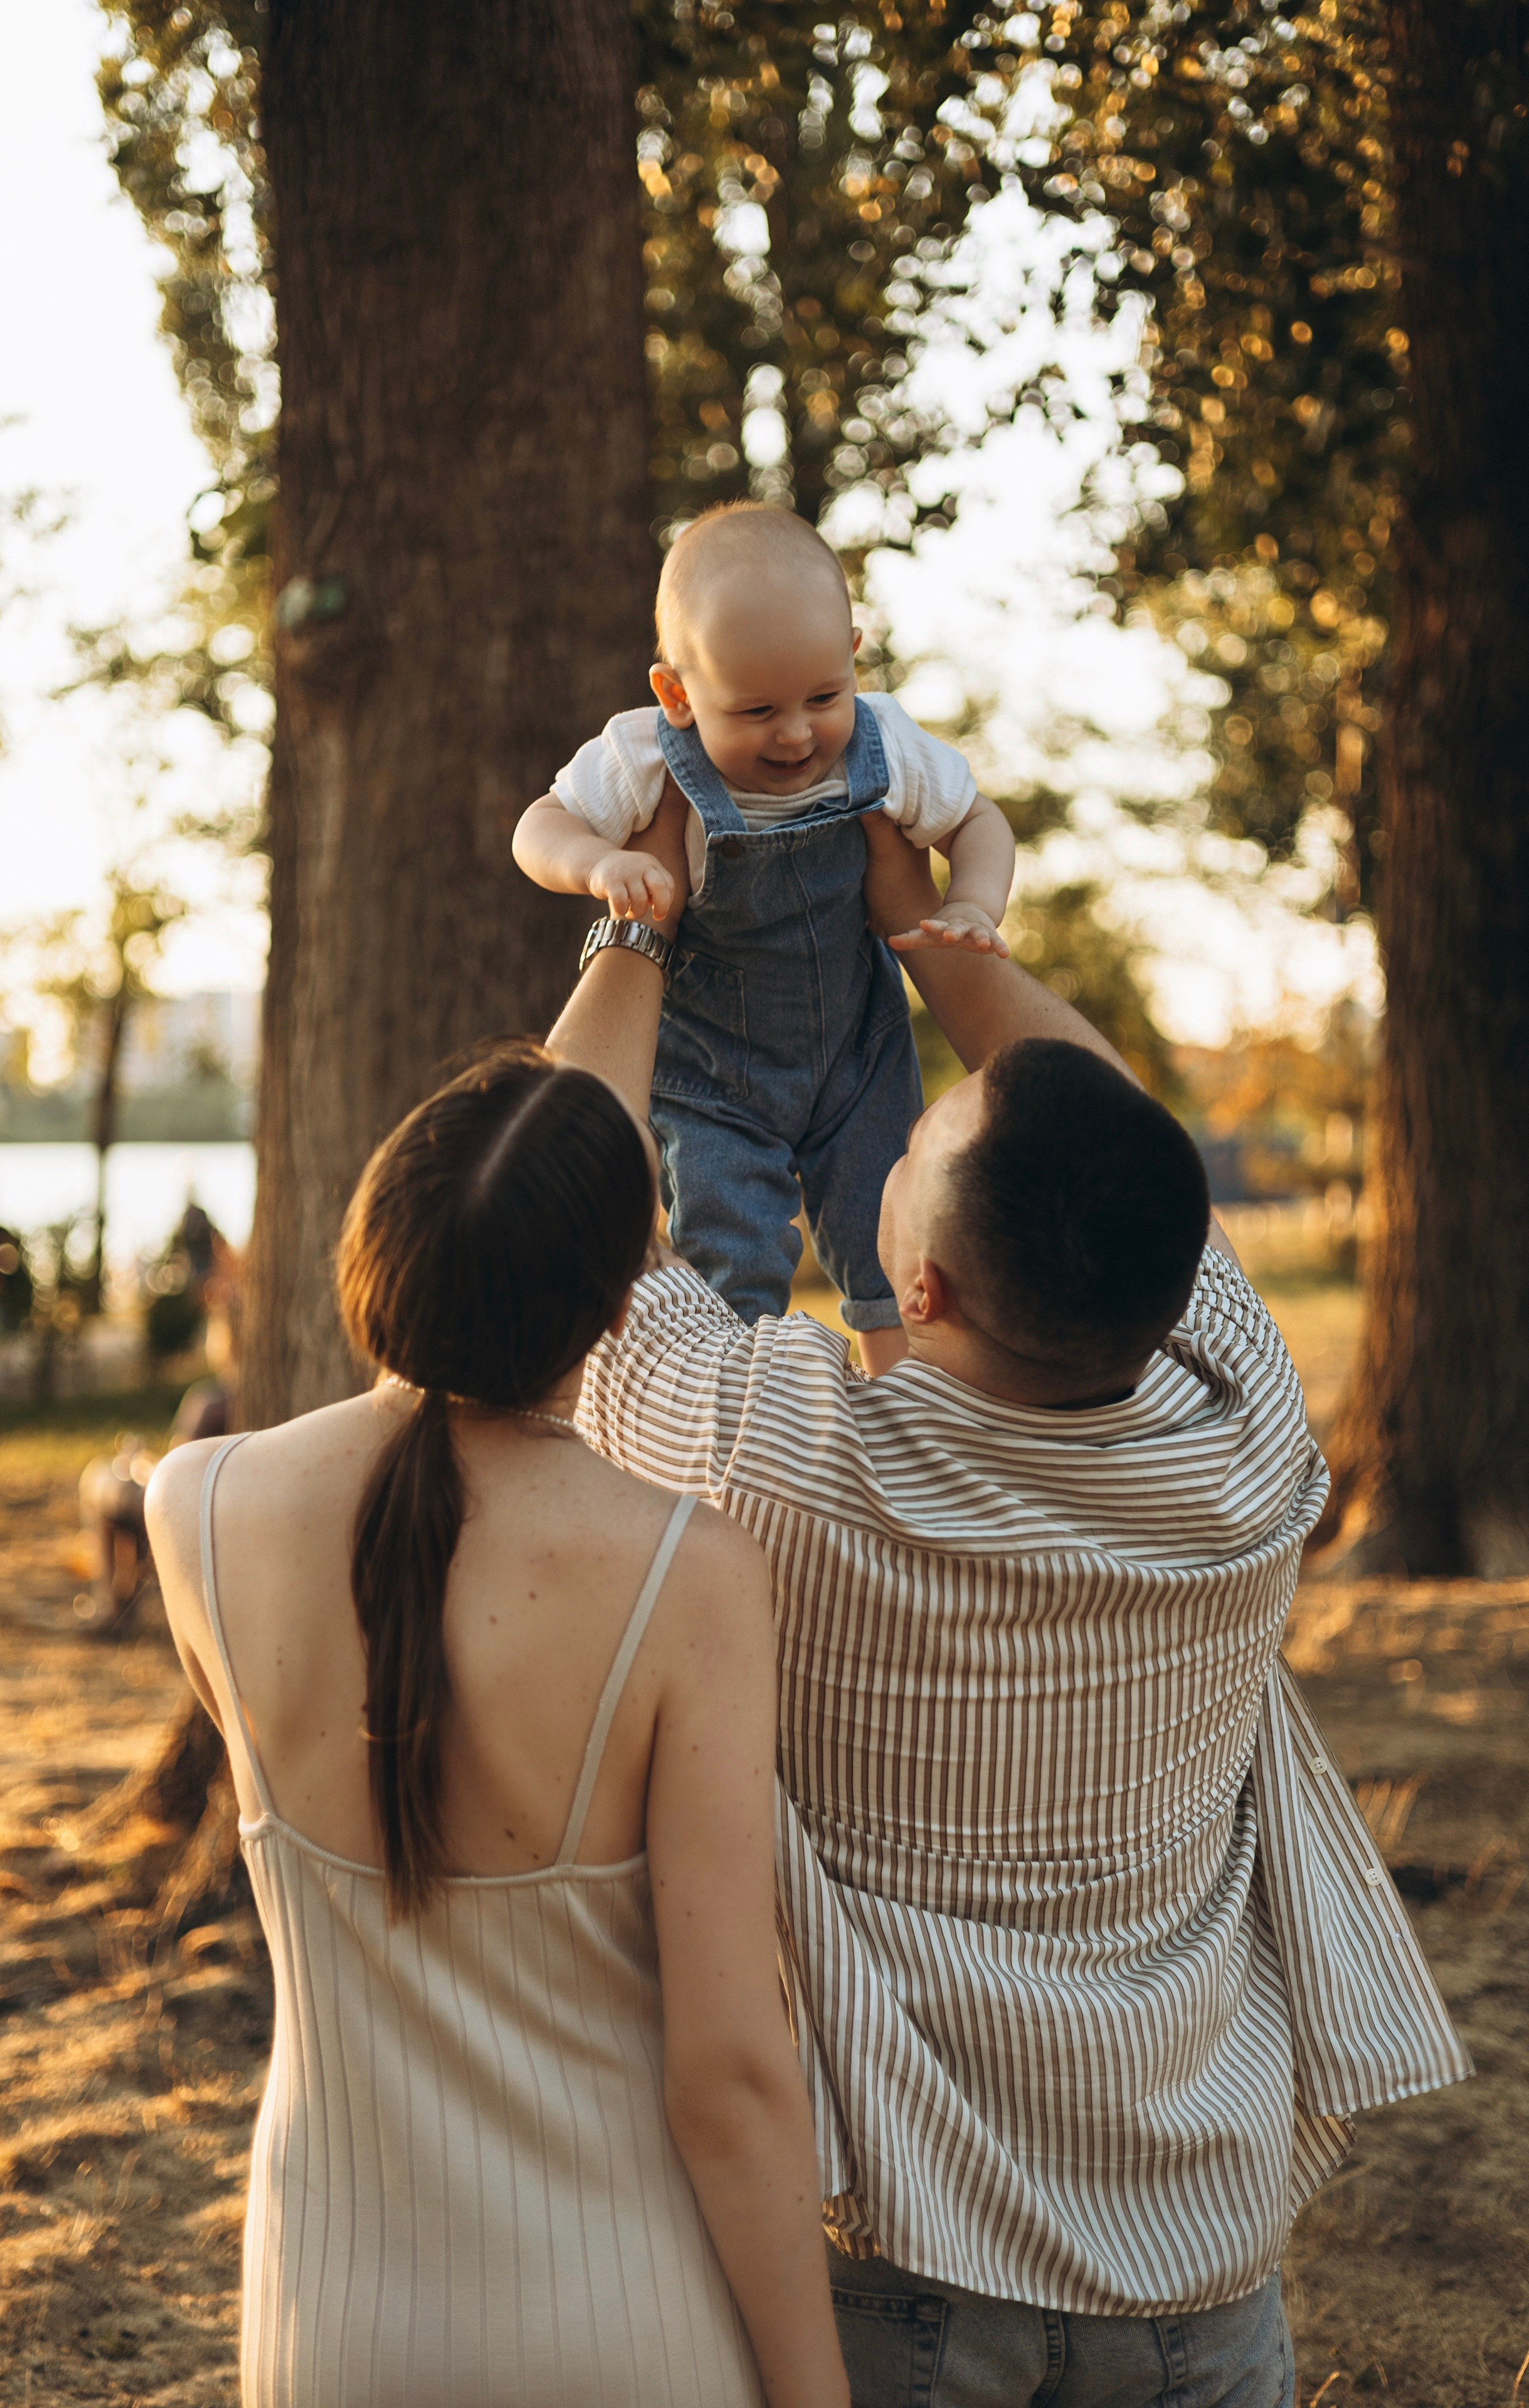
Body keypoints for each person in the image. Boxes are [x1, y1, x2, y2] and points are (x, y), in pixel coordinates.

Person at [546, 801, 1471, 2408]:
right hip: (1199, 2254)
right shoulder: (1250, 1447)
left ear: (921, 1287)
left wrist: (636, 925)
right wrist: (928, 929)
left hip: (902, 2264)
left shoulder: (788, 1459)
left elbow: (561, 1218)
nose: (894, 1148)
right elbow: (1118, 1141)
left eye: (908, 1155)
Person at [144, 1046, 849, 2408]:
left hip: (325, 2328)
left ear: (371, 1250)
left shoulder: (195, 1508)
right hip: (622, 2330)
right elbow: (727, 2080)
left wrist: (628, 931)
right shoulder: (683, 1576)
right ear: (611, 1313)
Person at [513, 500, 1016, 1361]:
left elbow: (980, 822)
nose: (795, 734)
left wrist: (971, 902)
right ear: (676, 693)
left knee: (894, 1234)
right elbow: (539, 826)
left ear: (854, 656)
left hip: (858, 1054)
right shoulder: (643, 755)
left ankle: (902, 1408)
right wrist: (597, 865)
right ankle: (736, 1430)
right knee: (727, 1256)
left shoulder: (885, 743)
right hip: (712, 1079)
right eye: (754, 712)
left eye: (825, 696)